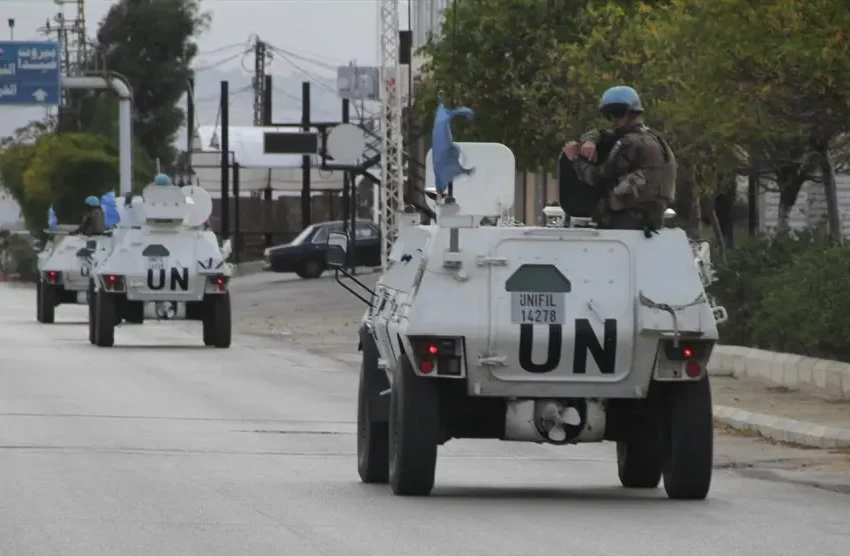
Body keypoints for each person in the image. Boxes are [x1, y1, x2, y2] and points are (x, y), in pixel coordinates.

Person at [563, 85, 676, 235]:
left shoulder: (629, 143)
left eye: (618, 113)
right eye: (609, 115)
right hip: (649, 218)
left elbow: (599, 178)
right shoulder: (652, 136)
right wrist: (590, 140)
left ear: (632, 113)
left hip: (629, 220)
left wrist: (575, 159)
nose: (613, 119)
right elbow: (603, 133)